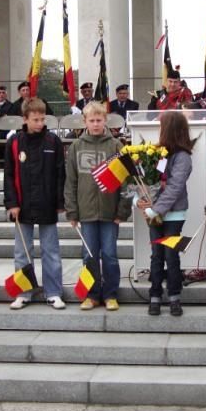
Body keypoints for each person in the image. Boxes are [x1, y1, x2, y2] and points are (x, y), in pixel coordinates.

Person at [65, 101, 131, 311]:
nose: (95, 124)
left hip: (110, 213)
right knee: (89, 255)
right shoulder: (76, 147)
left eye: (99, 120)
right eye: (91, 120)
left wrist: (122, 210)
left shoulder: (116, 146)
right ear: (84, 121)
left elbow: (126, 182)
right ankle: (92, 295)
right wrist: (72, 211)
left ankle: (111, 294)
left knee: (110, 255)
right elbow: (70, 182)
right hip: (86, 213)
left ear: (105, 121)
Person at [4, 98, 66, 310]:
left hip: (47, 203)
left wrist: (60, 202)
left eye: (42, 119)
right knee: (22, 252)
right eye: (35, 119)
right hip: (22, 205)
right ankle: (24, 293)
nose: (40, 123)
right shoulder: (14, 142)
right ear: (25, 119)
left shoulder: (53, 141)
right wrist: (11, 203)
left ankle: (53, 292)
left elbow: (60, 174)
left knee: (51, 250)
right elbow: (9, 175)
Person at [136, 111, 194, 317]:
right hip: (155, 213)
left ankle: (174, 296)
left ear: (170, 129)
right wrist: (140, 200)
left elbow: (174, 187)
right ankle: (155, 295)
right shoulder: (161, 153)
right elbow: (152, 181)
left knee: (171, 255)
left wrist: (155, 210)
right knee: (156, 255)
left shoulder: (183, 157)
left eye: (162, 127)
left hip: (174, 214)